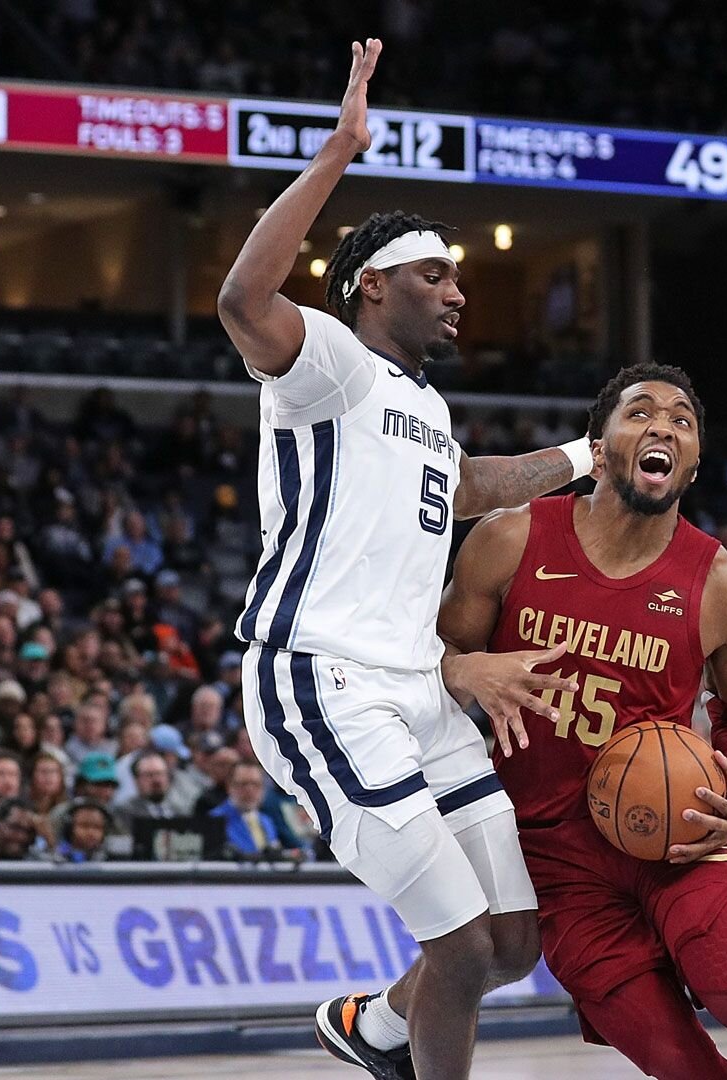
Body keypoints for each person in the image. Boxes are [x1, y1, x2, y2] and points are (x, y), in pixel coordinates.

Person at [216, 42, 596, 1080]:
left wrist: (591, 453)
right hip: (321, 677)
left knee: (514, 945)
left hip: (420, 688)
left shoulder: (423, 406)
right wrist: (338, 153)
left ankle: (376, 1030)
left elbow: (473, 486)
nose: (459, 294)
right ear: (373, 286)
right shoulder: (329, 364)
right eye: (437, 275)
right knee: (462, 948)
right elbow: (244, 299)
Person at [407, 363, 727, 1080]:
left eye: (682, 421)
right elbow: (428, 656)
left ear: (690, 466)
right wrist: (466, 668)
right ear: (598, 447)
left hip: (677, 832)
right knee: (677, 1060)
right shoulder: (509, 539)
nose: (663, 425)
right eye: (641, 412)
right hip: (552, 855)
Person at [210, 761, 301, 861]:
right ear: (229, 786)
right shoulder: (215, 820)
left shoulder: (266, 820)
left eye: (255, 784)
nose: (250, 790)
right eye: (243, 784)